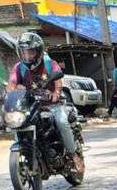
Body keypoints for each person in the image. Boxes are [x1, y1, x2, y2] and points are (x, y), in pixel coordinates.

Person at [7, 32, 83, 172]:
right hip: (31, 106)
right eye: (25, 52)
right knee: (19, 124)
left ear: (38, 51)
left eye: (31, 52)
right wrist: (9, 93)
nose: (28, 56)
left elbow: (58, 81)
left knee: (61, 122)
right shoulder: (19, 67)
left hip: (53, 105)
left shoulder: (49, 63)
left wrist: (56, 93)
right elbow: (12, 84)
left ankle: (73, 155)